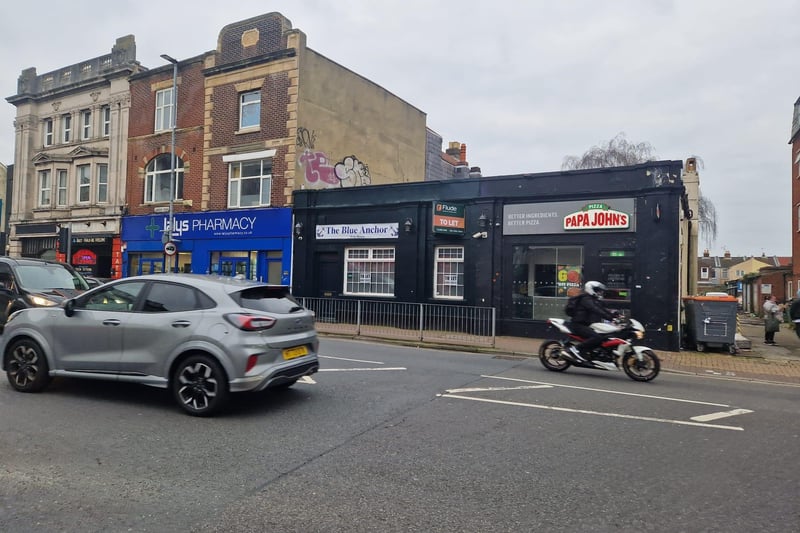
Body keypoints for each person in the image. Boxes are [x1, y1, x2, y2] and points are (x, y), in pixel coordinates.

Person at [567, 281, 619, 362]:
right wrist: (610, 318)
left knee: (603, 337)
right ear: (591, 289)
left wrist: (613, 315)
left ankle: (590, 353)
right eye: (597, 290)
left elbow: (602, 309)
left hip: (587, 324)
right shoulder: (586, 299)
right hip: (578, 324)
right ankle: (576, 349)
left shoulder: (593, 299)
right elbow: (595, 309)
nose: (599, 292)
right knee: (596, 337)